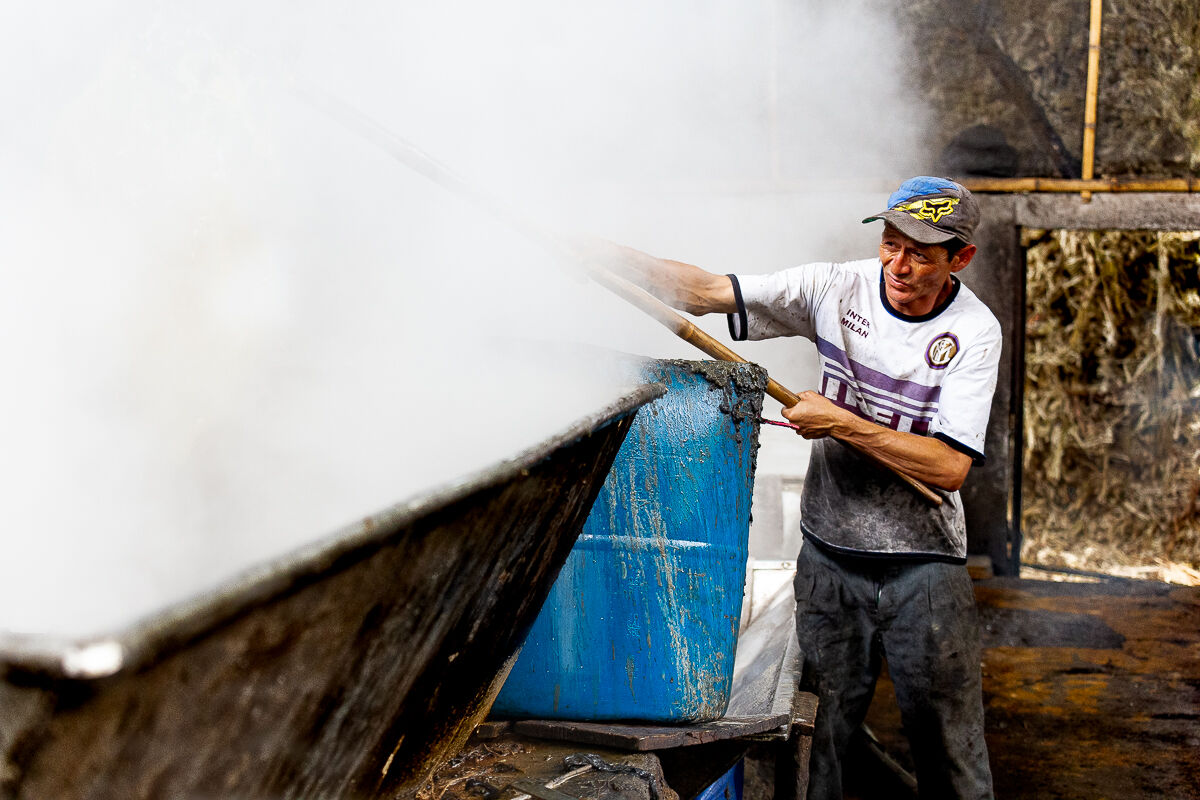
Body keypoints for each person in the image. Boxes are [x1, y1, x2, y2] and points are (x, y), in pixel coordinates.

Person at [596, 177, 999, 799]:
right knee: (819, 742)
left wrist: (841, 422)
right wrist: (607, 256)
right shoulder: (835, 288)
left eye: (920, 254)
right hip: (829, 557)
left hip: (924, 564)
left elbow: (948, 469)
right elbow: (706, 292)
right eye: (891, 244)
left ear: (959, 258)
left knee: (950, 750)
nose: (897, 265)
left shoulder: (974, 332)